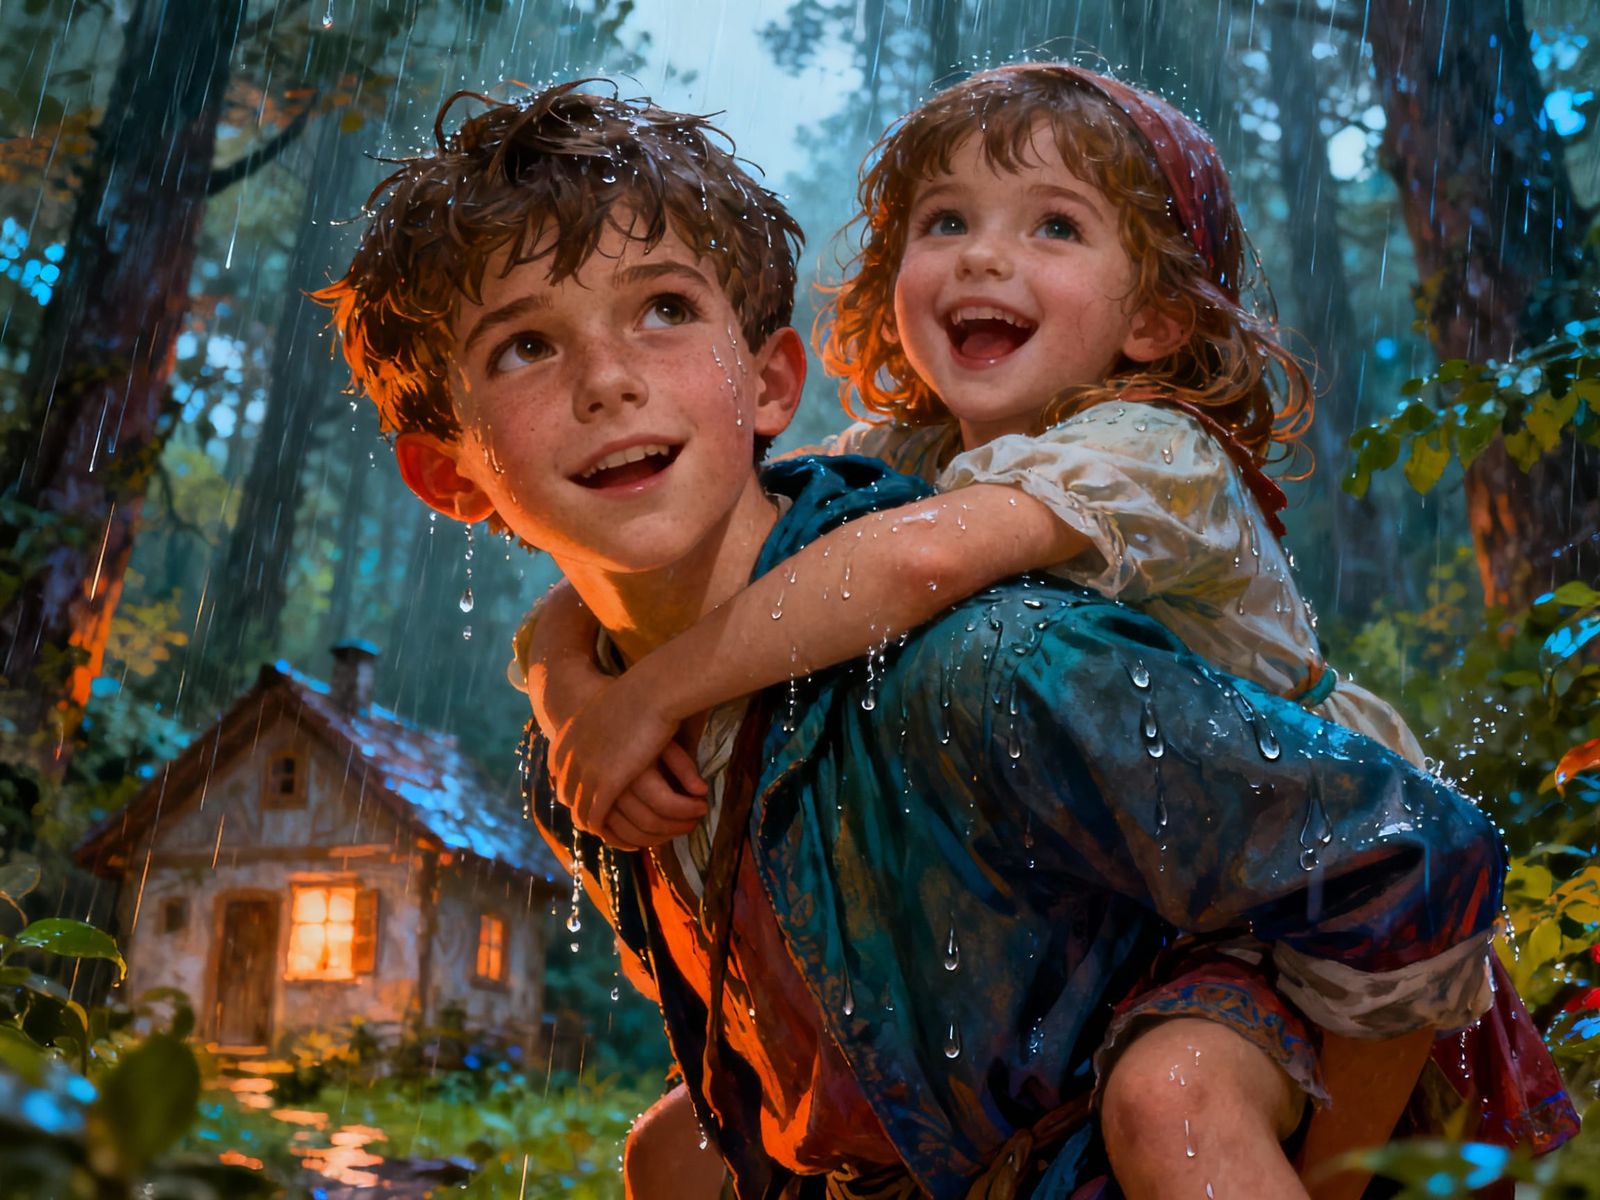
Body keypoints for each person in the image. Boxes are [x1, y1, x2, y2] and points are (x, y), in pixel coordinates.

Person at [318, 79, 1507, 1200]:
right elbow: (791, 545)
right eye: (528, 346)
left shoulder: (1050, 572)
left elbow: (1411, 855)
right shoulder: (896, 481)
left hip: (1296, 903)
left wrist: (1346, 1173)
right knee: (676, 1154)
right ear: (448, 473)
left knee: (1176, 1101)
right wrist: (578, 692)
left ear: (769, 378)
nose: (607, 383)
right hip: (1129, 937)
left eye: (665, 309)